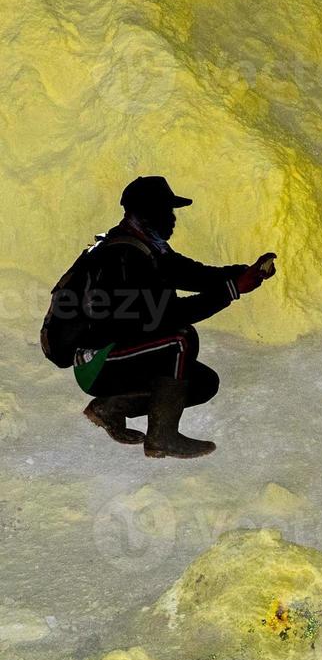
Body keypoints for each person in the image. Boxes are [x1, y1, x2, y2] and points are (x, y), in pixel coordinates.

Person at [73, 176, 277, 458]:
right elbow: (167, 315)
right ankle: (161, 437)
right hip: (98, 362)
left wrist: (243, 273)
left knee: (203, 382)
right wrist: (233, 289)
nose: (171, 218)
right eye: (166, 211)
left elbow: (194, 274)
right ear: (147, 212)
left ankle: (111, 407)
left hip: (124, 352)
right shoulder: (123, 257)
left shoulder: (148, 247)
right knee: (180, 339)